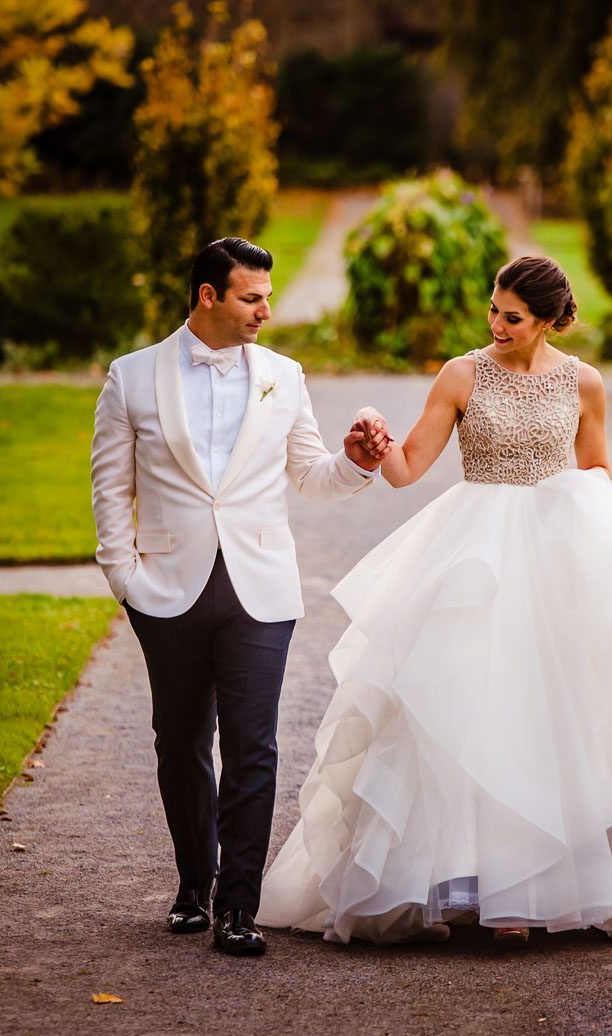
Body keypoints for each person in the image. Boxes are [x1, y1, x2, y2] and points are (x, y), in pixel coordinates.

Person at [257, 255, 612, 946]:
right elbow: (410, 469)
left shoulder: (585, 384)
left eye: (513, 317)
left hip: (557, 559)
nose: (496, 325)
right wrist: (374, 451)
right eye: (494, 310)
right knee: (465, 709)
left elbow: (596, 475)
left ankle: (536, 893)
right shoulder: (462, 374)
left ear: (552, 319)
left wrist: (601, 558)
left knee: (553, 714)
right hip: (473, 557)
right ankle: (459, 885)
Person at [89, 237, 392, 957]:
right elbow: (109, 486)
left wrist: (353, 463)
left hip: (261, 589)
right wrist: (124, 578)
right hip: (165, 588)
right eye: (251, 297)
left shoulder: (285, 377)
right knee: (181, 740)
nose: (266, 310)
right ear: (208, 297)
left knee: (253, 746)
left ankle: (238, 908)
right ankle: (194, 886)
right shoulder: (131, 378)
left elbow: (311, 475)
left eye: (265, 296)